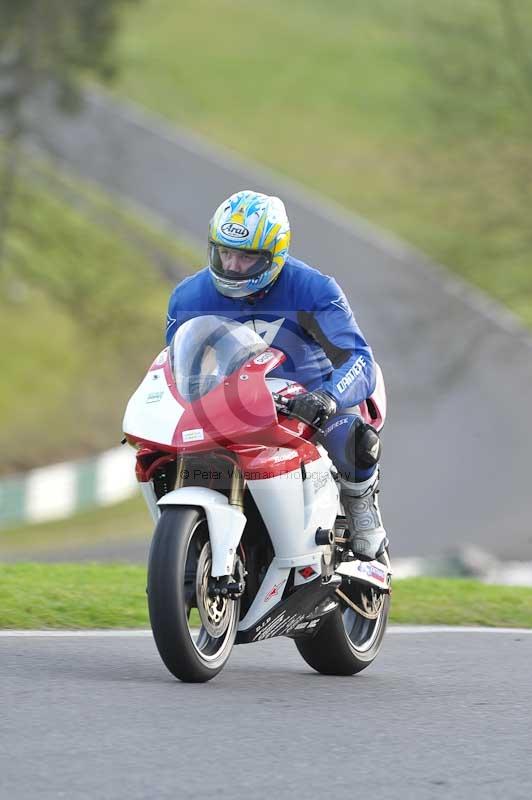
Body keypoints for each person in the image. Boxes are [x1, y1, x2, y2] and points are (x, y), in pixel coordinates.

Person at [166, 189, 387, 561]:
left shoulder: (314, 289)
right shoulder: (188, 297)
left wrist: (327, 397)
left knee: (351, 438)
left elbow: (358, 359)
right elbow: (174, 365)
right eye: (225, 252)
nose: (233, 265)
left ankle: (361, 507)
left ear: (275, 254)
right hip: (233, 405)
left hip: (308, 405)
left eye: (247, 257)